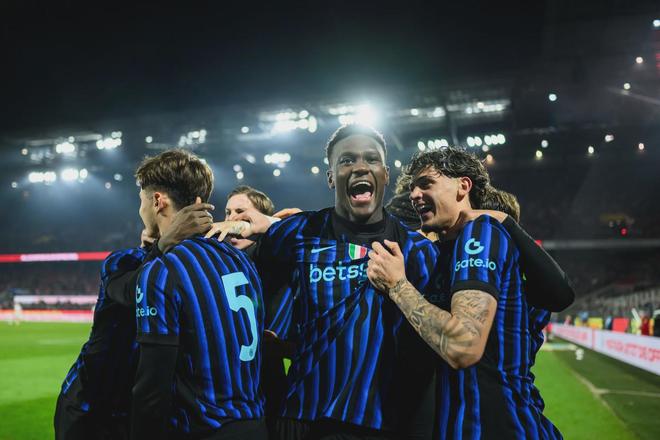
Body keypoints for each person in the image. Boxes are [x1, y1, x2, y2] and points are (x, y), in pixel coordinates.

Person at [204, 125, 573, 440]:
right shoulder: (300, 233)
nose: (359, 166)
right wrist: (245, 224)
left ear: (383, 174)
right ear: (331, 176)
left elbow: (549, 298)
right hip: (303, 419)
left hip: (395, 424)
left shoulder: (427, 250)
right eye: (346, 160)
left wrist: (502, 221)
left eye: (371, 159)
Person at [367, 147, 563, 439]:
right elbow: (561, 294)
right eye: (413, 188)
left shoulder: (480, 232)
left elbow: (463, 346)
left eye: (426, 183)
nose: (415, 194)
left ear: (463, 186)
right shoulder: (444, 256)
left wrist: (397, 286)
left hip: (497, 428)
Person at [131, 149, 267, 439]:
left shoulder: (163, 269)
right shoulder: (240, 259)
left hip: (202, 429)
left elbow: (153, 387)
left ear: (157, 201)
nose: (141, 209)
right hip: (255, 424)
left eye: (141, 200)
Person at [54, 229, 157, 440]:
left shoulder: (182, 267)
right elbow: (129, 291)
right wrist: (159, 249)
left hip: (128, 407)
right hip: (85, 403)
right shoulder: (123, 261)